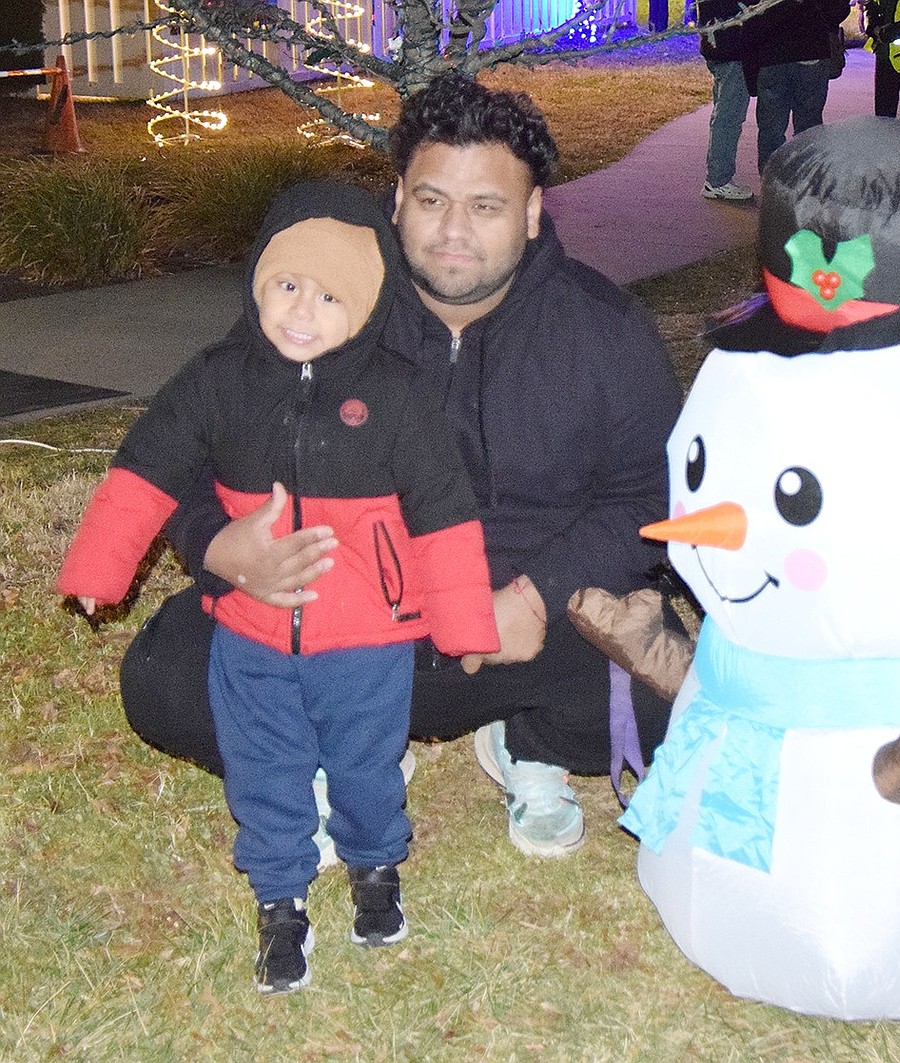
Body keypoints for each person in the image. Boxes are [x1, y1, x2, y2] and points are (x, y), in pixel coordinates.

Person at [118, 74, 684, 861]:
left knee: (676, 692)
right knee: (162, 678)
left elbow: (646, 502)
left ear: (530, 213)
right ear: (396, 201)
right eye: (430, 200)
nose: (454, 230)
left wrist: (536, 596)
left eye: (486, 205)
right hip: (340, 625)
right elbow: (178, 459)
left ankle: (521, 742)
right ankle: (343, 743)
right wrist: (217, 547)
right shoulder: (317, 312)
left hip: (518, 627)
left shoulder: (607, 333)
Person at [58, 181, 500, 995]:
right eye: (287, 284)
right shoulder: (219, 378)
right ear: (258, 277)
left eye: (332, 296)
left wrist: (464, 622)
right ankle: (279, 895)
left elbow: (444, 510)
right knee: (263, 766)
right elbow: (146, 467)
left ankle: (375, 867)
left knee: (366, 762)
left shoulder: (397, 394)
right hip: (251, 633)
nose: (303, 310)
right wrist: (97, 567)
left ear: (367, 306)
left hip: (367, 638)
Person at [739, 0, 852, 172]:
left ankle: (771, 181)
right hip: (809, 51)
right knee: (808, 126)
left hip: (773, 53)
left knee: (772, 128)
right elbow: (838, 10)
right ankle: (806, 180)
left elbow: (750, 14)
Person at [697, 0, 756, 201]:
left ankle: (717, 177)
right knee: (729, 116)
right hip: (729, 47)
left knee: (724, 114)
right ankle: (718, 180)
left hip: (719, 45)